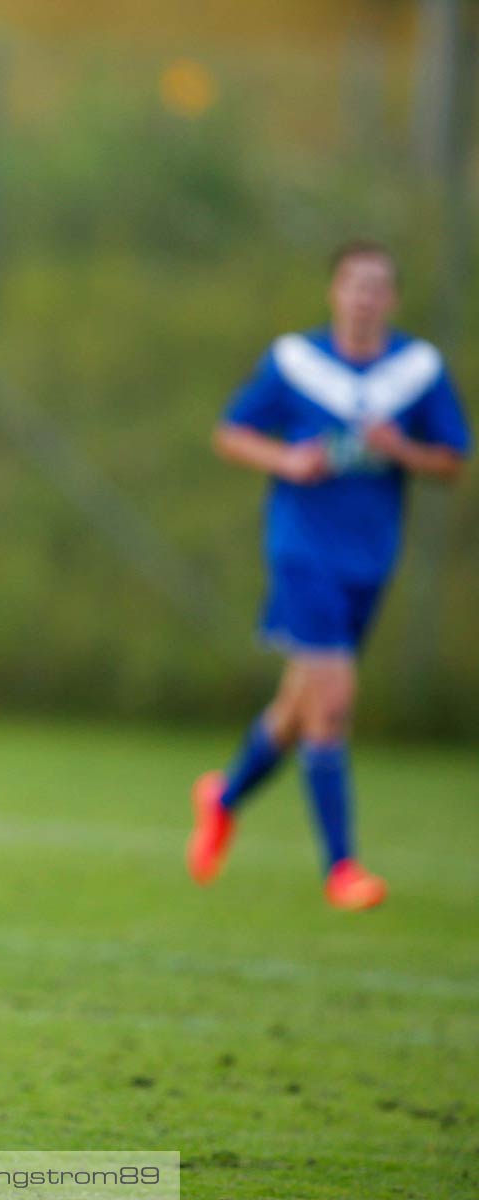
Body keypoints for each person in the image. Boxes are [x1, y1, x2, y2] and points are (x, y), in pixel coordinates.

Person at [188, 241, 467, 910]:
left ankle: (223, 798)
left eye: (377, 287)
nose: (364, 297)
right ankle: (342, 868)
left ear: (392, 300)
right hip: (301, 550)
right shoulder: (296, 362)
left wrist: (403, 450)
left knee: (296, 710)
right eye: (353, 284)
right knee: (333, 704)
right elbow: (231, 432)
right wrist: (286, 461)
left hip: (369, 558)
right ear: (334, 293)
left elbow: (453, 461)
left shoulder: (417, 372)